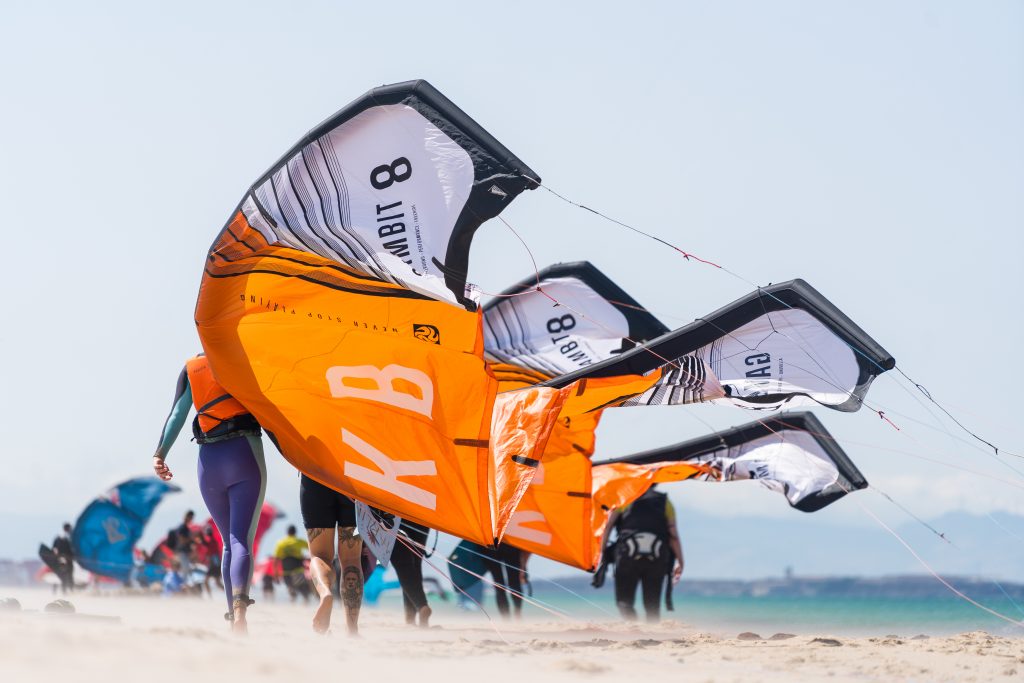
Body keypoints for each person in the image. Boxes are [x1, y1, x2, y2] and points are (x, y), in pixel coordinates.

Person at [152, 354, 267, 633]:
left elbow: (178, 413)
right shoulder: (245, 358)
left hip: (209, 462)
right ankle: (240, 609)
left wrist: (160, 455)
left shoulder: (192, 367)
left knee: (228, 543)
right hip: (244, 453)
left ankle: (232, 616)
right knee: (241, 540)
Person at [598, 485, 684, 622]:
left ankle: (633, 627)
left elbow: (608, 526)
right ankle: (652, 631)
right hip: (657, 558)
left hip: (627, 556)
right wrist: (680, 561)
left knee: (624, 602)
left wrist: (603, 552)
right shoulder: (665, 502)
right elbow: (673, 535)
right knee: (652, 605)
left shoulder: (624, 498)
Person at [299, 474, 363, 635]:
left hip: (315, 477)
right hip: (354, 479)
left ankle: (325, 593)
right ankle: (352, 629)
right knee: (351, 559)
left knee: (319, 555)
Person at [389, 520, 432, 627]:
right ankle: (410, 617)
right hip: (422, 512)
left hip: (395, 511)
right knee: (415, 564)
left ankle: (422, 606)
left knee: (402, 563)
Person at [482, 543, 525, 619]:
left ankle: (508, 617)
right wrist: (523, 565)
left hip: (491, 546)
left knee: (502, 585)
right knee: (511, 583)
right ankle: (515, 614)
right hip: (507, 545)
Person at [273, 525, 311, 603]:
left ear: (287, 532)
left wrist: (276, 574)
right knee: (301, 585)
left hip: (286, 568)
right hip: (298, 567)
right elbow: (311, 548)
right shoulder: (299, 541)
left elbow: (276, 559)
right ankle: (306, 601)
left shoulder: (281, 543)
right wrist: (308, 558)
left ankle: (292, 599)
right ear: (295, 532)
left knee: (289, 585)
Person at [52, 523, 75, 594]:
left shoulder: (58, 536)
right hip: (67, 559)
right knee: (68, 574)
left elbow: (54, 547)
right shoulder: (69, 537)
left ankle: (64, 590)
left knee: (63, 574)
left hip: (61, 558)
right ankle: (68, 590)